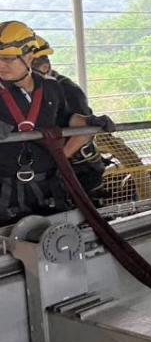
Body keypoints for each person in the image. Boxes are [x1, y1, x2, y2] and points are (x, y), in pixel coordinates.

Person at [0, 22, 112, 226]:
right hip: (5, 193)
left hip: (49, 189)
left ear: (29, 55)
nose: (1, 65)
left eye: (7, 58)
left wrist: (88, 122)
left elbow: (65, 118)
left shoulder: (51, 88)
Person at [31, 36, 108, 205]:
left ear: (44, 66)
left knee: (83, 219)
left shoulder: (67, 90)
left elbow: (84, 132)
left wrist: (57, 163)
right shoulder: (31, 92)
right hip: (50, 170)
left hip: (79, 169)